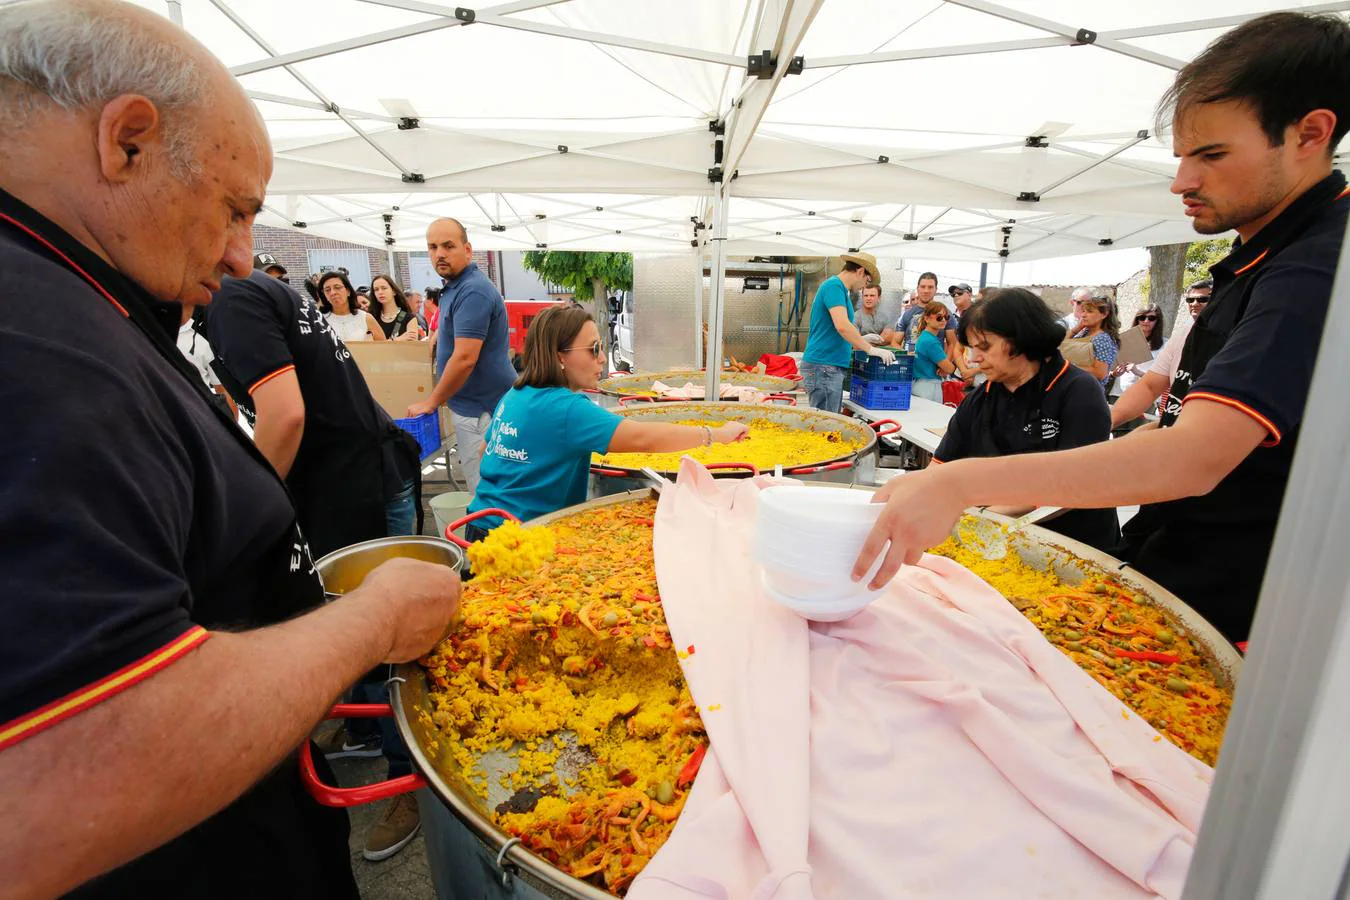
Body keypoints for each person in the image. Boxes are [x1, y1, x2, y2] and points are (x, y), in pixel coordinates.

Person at [0, 2, 461, 897]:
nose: (247, 257)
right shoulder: (29, 333)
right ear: (126, 142)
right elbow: (58, 775)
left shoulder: (71, 295)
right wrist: (374, 619)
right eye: (235, 209)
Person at [853, 10, 1350, 646]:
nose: (1182, 182)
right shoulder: (1261, 258)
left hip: (1251, 613)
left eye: (1212, 155)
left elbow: (1193, 456)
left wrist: (959, 481)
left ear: (1310, 133)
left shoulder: (1317, 269)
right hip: (1179, 570)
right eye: (1180, 156)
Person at [208, 269, 427, 862]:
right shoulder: (264, 291)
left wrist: (242, 518)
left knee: (385, 637)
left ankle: (412, 778)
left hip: (357, 484)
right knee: (339, 614)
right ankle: (362, 730)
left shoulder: (231, 298)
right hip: (349, 478)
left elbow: (285, 416)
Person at [466, 306, 749, 539]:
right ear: (560, 356)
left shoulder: (515, 394)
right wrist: (716, 434)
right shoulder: (567, 409)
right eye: (593, 349)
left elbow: (484, 452)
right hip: (518, 538)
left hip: (478, 523)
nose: (602, 358)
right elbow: (643, 438)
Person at [933, 289, 1119, 551]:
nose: (974, 359)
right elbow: (939, 469)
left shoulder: (1078, 390)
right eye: (972, 349)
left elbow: (1072, 485)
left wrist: (979, 516)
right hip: (998, 542)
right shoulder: (980, 399)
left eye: (983, 347)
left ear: (1020, 341)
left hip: (1070, 548)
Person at [408, 218, 520, 494]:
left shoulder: (472, 290)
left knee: (485, 493)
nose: (439, 254)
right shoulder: (457, 286)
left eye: (448, 246)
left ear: (467, 250)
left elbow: (465, 357)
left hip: (483, 409)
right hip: (477, 407)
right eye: (432, 247)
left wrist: (432, 401)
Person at [800, 251, 895, 413]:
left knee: (825, 423)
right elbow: (842, 325)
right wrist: (870, 349)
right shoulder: (834, 286)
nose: (865, 286)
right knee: (826, 427)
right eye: (867, 280)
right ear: (860, 271)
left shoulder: (840, 290)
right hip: (825, 366)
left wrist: (861, 338)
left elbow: (835, 329)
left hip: (827, 366)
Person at [1110, 280, 1212, 428]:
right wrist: (1108, 422)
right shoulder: (1182, 335)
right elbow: (1151, 386)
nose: (1195, 303)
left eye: (1202, 299)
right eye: (1190, 299)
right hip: (1168, 411)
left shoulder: (1232, 332)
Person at [1110, 303, 1167, 404]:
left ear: (1158, 321)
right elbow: (1109, 367)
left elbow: (1163, 379)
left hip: (1146, 396)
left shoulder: (1166, 345)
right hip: (1120, 392)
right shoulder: (1123, 339)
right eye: (1142, 317)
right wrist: (1115, 372)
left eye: (1151, 318)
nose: (1146, 321)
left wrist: (1138, 372)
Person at [1067, 293, 1120, 390]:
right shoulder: (1084, 332)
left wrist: (1069, 366)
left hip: (1088, 391)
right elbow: (1062, 346)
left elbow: (1100, 373)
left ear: (1104, 314)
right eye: (1083, 311)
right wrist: (1077, 328)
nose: (1083, 315)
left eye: (1089, 312)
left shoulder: (1102, 338)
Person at [318, 271, 385, 343]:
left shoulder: (365, 318)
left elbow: (384, 347)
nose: (333, 293)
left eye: (337, 287)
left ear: (348, 291)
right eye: (327, 290)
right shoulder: (320, 320)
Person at [911, 301, 956, 402]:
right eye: (939, 317)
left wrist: (943, 366)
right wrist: (946, 366)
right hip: (929, 388)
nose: (943, 320)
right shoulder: (931, 342)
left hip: (921, 386)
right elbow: (949, 368)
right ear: (926, 319)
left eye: (946, 317)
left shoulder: (924, 337)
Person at [894, 271, 945, 350]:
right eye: (923, 286)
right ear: (917, 289)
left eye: (930, 287)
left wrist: (944, 361)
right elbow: (895, 342)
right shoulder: (906, 314)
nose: (926, 291)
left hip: (935, 360)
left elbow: (952, 343)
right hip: (911, 360)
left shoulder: (945, 313)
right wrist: (907, 356)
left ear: (936, 289)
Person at [370, 273, 424, 341]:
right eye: (376, 289)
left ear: (394, 291)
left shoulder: (409, 318)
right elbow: (372, 346)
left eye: (384, 288)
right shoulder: (372, 318)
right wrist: (397, 340)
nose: (380, 292)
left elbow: (411, 344)